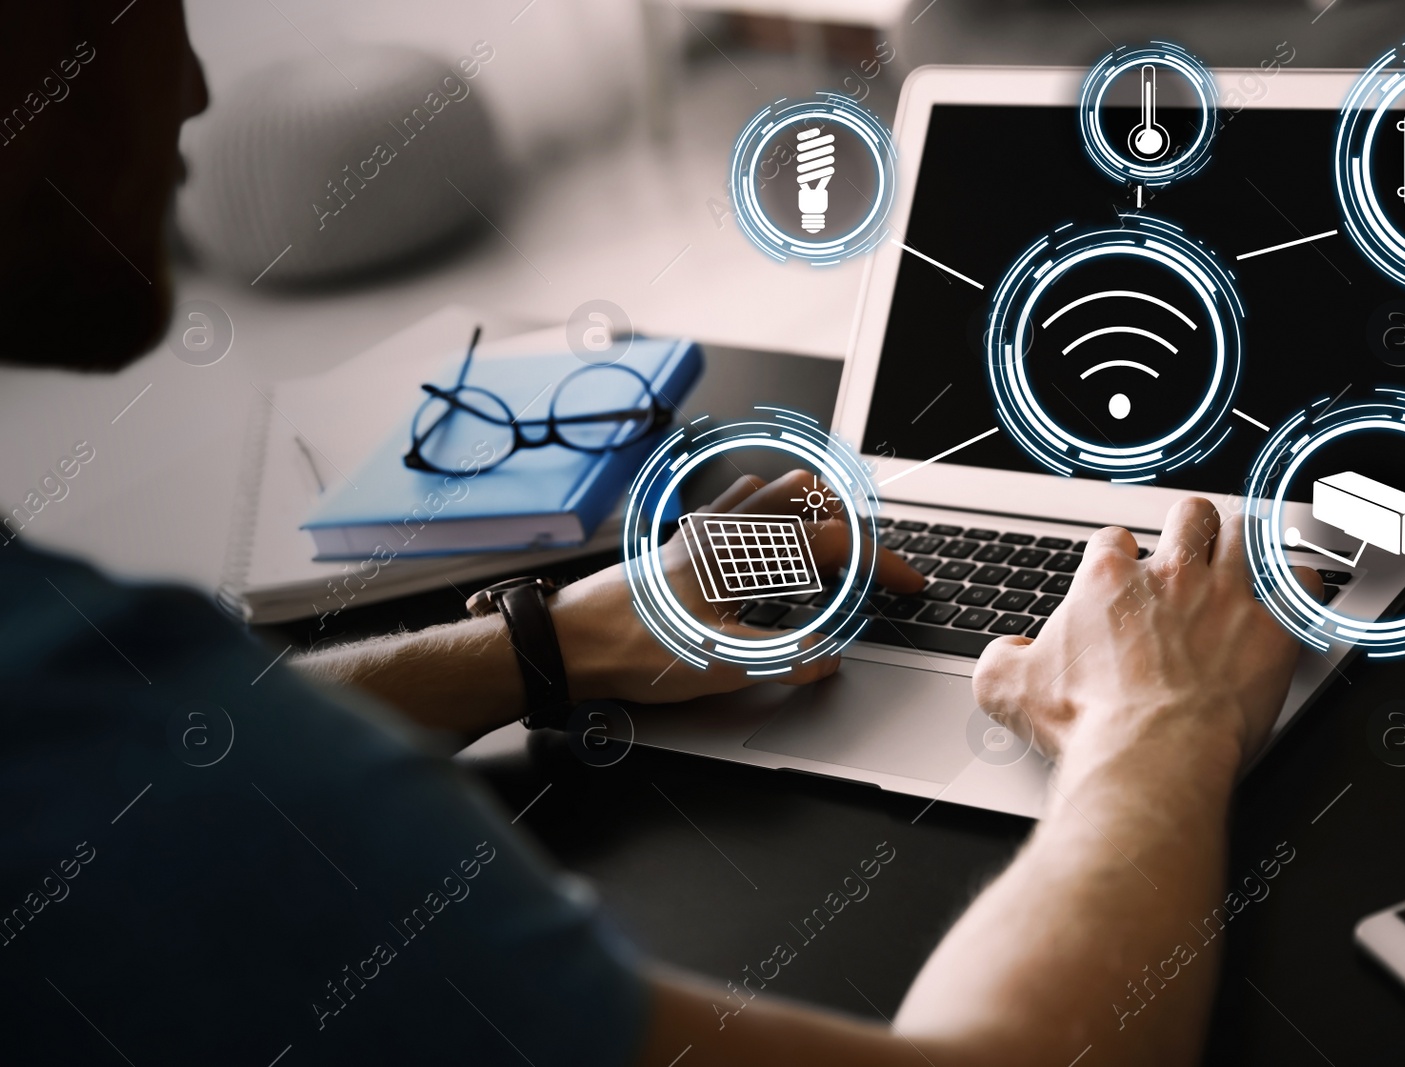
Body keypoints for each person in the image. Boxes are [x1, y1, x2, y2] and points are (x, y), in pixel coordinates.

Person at [0, 4, 1319, 1064]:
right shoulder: (146, 788)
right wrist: (1157, 733)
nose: (193, 86)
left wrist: (543, 644)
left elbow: (172, 754)